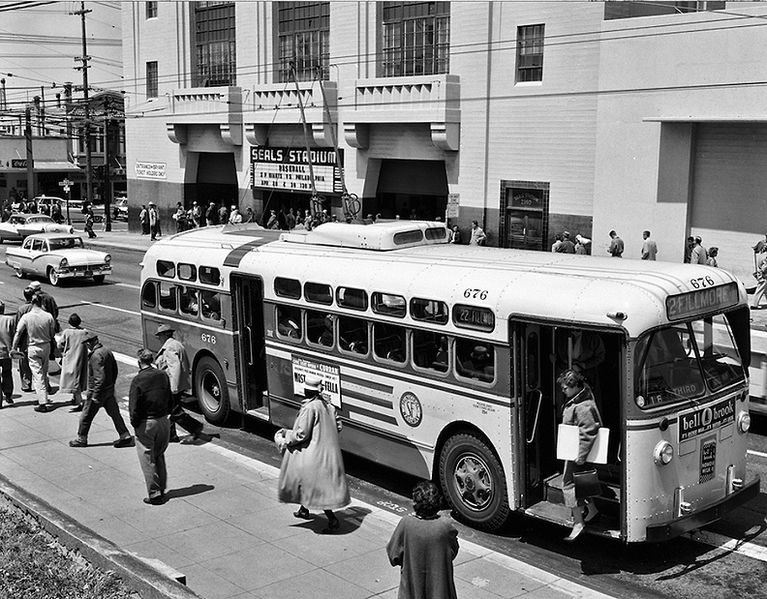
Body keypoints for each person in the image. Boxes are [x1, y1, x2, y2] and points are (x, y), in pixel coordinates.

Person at [276, 374, 349, 533]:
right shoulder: (328, 406)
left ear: (307, 392)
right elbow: (338, 426)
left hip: (315, 455)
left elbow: (301, 434)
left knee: (315, 488)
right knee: (309, 484)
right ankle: (304, 509)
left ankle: (332, 520)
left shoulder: (310, 408)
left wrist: (286, 437)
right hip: (329, 454)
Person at [387, 480, 459, 599]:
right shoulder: (445, 526)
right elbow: (453, 551)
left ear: (415, 503)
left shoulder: (406, 523)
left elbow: (394, 555)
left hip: (412, 591)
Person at [68, 332, 133, 448]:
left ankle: (81, 439)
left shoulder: (95, 356)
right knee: (115, 414)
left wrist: (95, 395)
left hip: (97, 392)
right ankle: (125, 436)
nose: (87, 347)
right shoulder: (107, 351)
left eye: (86, 344)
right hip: (108, 390)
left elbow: (99, 377)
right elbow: (114, 370)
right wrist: (111, 385)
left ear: (90, 343)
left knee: (86, 416)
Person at [558, 369, 601, 541]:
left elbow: (588, 432)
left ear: (575, 386)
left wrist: (580, 456)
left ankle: (578, 522)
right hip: (577, 451)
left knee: (568, 485)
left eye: (565, 388)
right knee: (582, 482)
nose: (563, 391)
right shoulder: (582, 399)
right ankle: (592, 510)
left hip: (577, 452)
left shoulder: (583, 406)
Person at [154, 324, 211, 444]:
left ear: (164, 335)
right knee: (170, 410)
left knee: (174, 411)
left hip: (172, 385)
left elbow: (175, 368)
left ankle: (195, 427)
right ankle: (172, 435)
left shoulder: (169, 348)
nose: (158, 338)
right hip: (178, 384)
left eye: (159, 336)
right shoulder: (176, 344)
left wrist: (174, 387)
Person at [129, 348, 172, 505]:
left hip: (146, 423)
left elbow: (134, 407)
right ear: (152, 360)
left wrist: (135, 424)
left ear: (139, 362)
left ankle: (154, 494)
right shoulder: (162, 375)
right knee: (159, 455)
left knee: (147, 458)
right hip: (163, 421)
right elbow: (170, 397)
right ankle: (162, 488)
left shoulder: (138, 380)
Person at [12, 294, 55, 412]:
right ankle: (44, 394)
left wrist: (14, 348)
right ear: (41, 302)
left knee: (37, 375)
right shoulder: (48, 316)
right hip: (46, 346)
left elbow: (18, 333)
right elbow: (52, 334)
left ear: (31, 302)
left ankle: (43, 402)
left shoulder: (26, 317)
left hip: (33, 346)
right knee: (44, 371)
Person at [57, 313, 90, 412]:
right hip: (81, 358)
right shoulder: (84, 332)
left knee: (72, 379)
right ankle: (76, 398)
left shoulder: (67, 332)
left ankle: (80, 401)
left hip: (70, 358)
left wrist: (62, 351)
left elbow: (60, 345)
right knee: (78, 378)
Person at [14, 287, 35, 393]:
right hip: (36, 339)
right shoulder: (37, 308)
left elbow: (17, 327)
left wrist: (16, 343)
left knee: (24, 363)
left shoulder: (21, 309)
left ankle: (26, 384)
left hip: (24, 340)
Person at [0, 301, 16, 408]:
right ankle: (8, 395)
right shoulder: (9, 320)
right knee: (7, 373)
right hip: (6, 352)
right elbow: (14, 334)